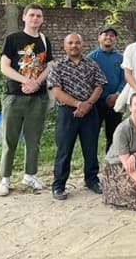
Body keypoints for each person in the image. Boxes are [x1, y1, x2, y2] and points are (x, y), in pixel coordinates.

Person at [0, 4, 54, 196]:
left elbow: (50, 65)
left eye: (39, 15)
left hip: (38, 98)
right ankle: (5, 179)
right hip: (14, 96)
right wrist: (25, 81)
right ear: (24, 18)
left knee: (34, 139)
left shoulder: (45, 41)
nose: (35, 18)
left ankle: (30, 175)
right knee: (9, 139)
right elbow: (5, 67)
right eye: (32, 15)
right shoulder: (13, 39)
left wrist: (37, 82)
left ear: (42, 19)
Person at [48, 33, 107, 200]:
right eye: (70, 43)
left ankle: (91, 180)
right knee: (64, 149)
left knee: (91, 148)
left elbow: (100, 85)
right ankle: (59, 185)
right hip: (68, 113)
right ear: (65, 46)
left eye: (77, 43)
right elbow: (57, 91)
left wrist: (87, 104)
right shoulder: (58, 66)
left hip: (90, 111)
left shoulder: (92, 64)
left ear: (82, 45)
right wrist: (78, 104)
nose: (74, 45)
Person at [87, 25, 126, 153]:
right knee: (92, 134)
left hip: (115, 102)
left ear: (115, 39)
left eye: (112, 36)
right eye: (106, 35)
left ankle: (112, 162)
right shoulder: (91, 58)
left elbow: (125, 78)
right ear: (99, 38)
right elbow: (88, 81)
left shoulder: (121, 58)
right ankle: (93, 165)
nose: (109, 37)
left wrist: (117, 95)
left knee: (114, 135)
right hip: (96, 103)